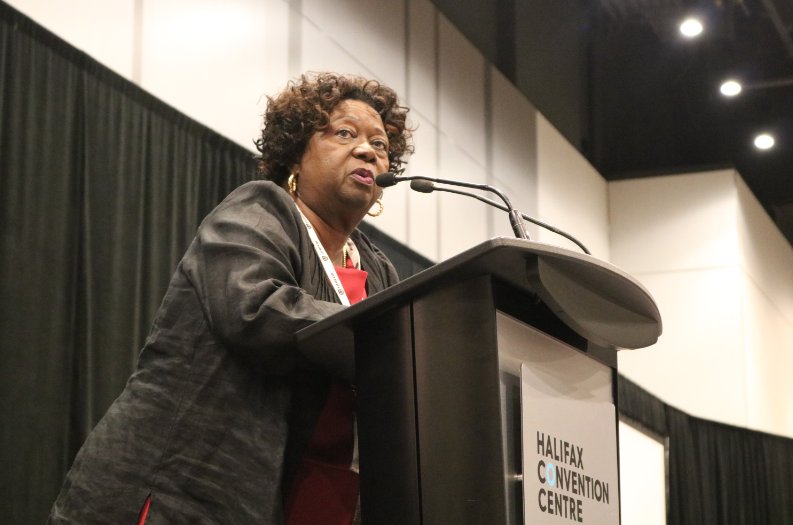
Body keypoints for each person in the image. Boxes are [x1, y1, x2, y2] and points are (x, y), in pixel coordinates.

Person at [48, 72, 413, 524]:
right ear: (296, 155)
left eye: (380, 146)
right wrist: (392, 343)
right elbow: (254, 311)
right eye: (344, 133)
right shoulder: (261, 210)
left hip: (295, 502)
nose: (367, 150)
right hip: (180, 486)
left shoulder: (377, 270)